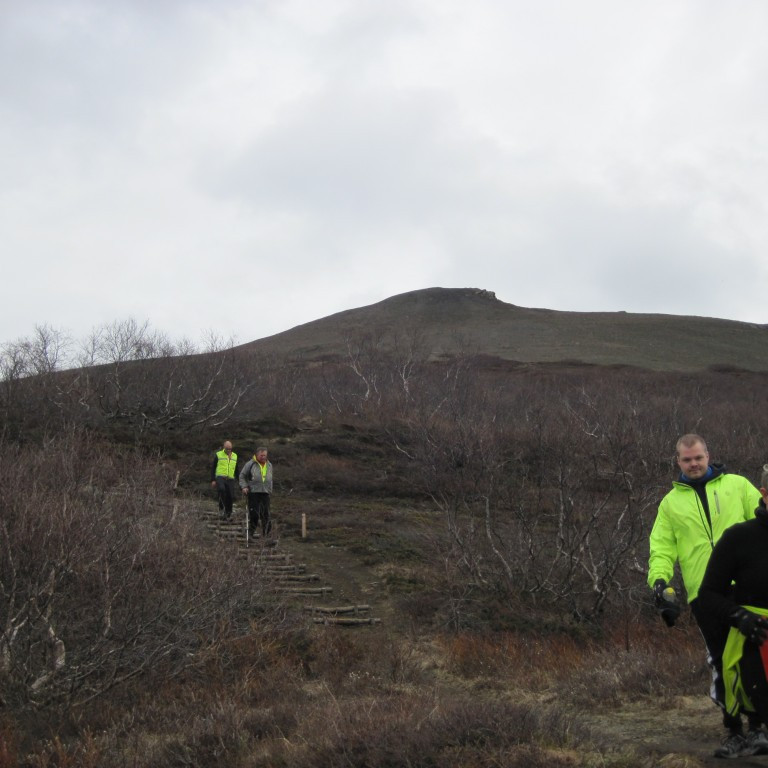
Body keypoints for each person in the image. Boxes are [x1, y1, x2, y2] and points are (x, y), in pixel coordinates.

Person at [647, 434, 762, 758]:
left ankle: (757, 729)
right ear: (678, 462)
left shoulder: (738, 486)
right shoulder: (670, 503)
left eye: (698, 457)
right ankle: (734, 731)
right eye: (687, 460)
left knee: (753, 659)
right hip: (705, 594)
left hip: (748, 587)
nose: (694, 464)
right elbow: (661, 548)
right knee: (722, 660)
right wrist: (661, 583)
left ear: (708, 456)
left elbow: (764, 522)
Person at [697, 484, 768, 758]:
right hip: (754, 637)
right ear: (764, 492)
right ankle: (742, 731)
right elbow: (708, 594)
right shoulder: (739, 537)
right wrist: (739, 617)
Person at [239, 447, 273, 540]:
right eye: (261, 455)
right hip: (253, 492)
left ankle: (267, 536)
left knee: (266, 515)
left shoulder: (269, 464)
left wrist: (270, 490)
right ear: (257, 455)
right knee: (254, 514)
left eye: (265, 455)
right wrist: (244, 486)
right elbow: (242, 476)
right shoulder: (250, 464)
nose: (263, 457)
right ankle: (250, 534)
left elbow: (270, 479)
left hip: (265, 493)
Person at [210, 440, 238, 520]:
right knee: (221, 490)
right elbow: (213, 468)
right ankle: (221, 508)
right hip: (220, 477)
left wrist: (240, 480)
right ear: (224, 447)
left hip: (230, 478)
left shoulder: (235, 456)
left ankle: (228, 514)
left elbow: (237, 469)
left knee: (231, 496)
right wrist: (213, 480)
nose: (228, 450)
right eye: (227, 449)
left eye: (230, 449)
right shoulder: (218, 455)